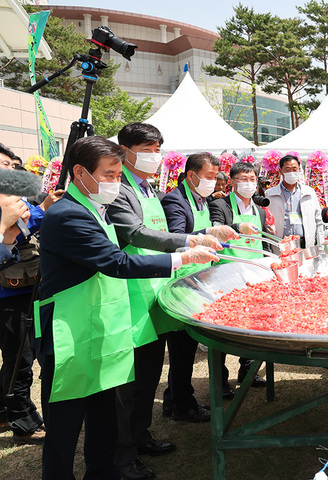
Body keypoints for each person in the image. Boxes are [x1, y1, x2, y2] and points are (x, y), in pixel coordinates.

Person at [36, 136, 217, 480]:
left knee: (105, 421)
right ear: (79, 172)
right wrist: (182, 257)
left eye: (119, 175)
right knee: (65, 426)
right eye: (109, 174)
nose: (116, 182)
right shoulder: (68, 215)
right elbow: (115, 262)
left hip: (103, 331)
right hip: (71, 336)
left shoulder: (94, 208)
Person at [109, 123, 226, 479]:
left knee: (147, 375)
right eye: (146, 148)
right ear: (124, 150)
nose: (154, 156)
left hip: (155, 292)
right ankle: (122, 454)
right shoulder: (118, 188)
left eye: (158, 149)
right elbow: (134, 233)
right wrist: (190, 241)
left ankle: (140, 436)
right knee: (129, 381)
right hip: (130, 295)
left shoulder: (147, 188)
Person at [161, 152, 239, 423]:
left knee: (186, 347)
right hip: (182, 279)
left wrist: (221, 231)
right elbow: (175, 237)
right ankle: (182, 403)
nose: (213, 182)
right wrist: (204, 236)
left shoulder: (200, 199)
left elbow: (202, 229)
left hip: (200, 276)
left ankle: (175, 399)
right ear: (191, 175)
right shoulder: (175, 199)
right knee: (182, 347)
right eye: (208, 177)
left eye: (215, 176)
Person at [0, 143, 63, 446]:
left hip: (24, 289)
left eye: (11, 166)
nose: (8, 172)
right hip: (8, 294)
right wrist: (42, 210)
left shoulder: (14, 198)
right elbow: (16, 229)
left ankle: (5, 409)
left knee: (16, 358)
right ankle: (22, 421)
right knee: (20, 361)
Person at [209, 161, 271, 390]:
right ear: (232, 182)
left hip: (255, 276)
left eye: (252, 179)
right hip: (227, 273)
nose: (248, 184)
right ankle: (221, 380)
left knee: (255, 325)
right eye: (243, 179)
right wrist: (237, 226)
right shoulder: (219, 205)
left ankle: (249, 371)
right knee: (223, 329)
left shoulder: (259, 209)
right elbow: (216, 229)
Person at [265, 155, 324, 250]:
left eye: (294, 169)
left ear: (299, 170)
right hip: (280, 246)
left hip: (305, 245)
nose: (291, 172)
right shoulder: (270, 194)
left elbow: (318, 219)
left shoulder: (309, 192)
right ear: (281, 171)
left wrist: (321, 247)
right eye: (287, 169)